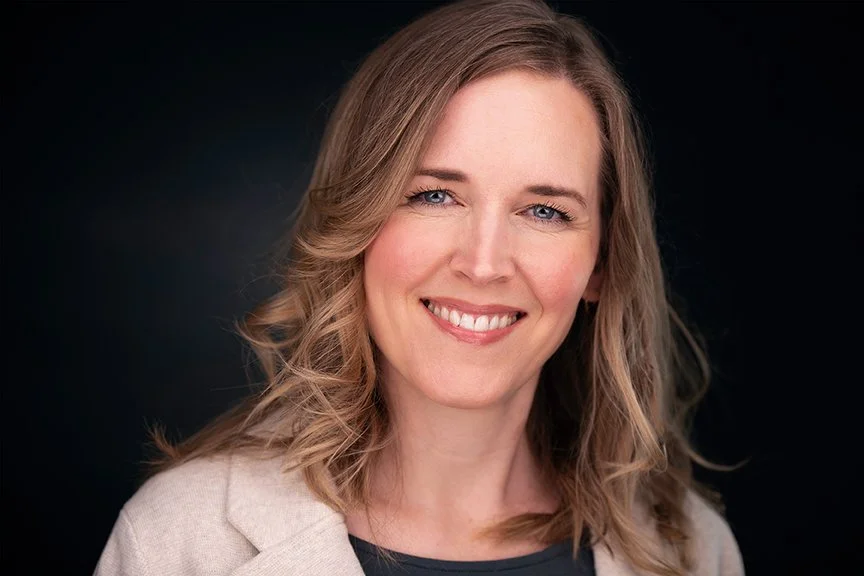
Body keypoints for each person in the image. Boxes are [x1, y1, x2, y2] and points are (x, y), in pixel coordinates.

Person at [95, 1, 744, 574]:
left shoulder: (690, 551)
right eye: (434, 194)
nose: (485, 263)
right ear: (358, 223)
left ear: (601, 263)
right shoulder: (181, 543)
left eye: (544, 210)